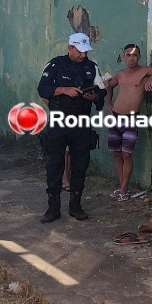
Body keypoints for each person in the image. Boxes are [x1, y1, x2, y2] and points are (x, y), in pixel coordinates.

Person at [37, 32, 104, 223]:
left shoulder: (92, 67)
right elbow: (43, 88)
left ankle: (76, 206)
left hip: (82, 122)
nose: (83, 55)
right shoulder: (56, 65)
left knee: (80, 164)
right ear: (70, 48)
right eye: (80, 51)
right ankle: (53, 208)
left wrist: (95, 97)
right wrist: (63, 90)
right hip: (59, 121)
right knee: (54, 164)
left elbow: (101, 90)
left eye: (86, 51)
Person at [104, 44, 152, 199]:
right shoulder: (120, 74)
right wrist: (109, 105)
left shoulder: (144, 71)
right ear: (124, 56)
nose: (131, 58)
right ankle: (122, 189)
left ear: (139, 57)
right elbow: (109, 87)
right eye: (128, 55)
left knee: (127, 154)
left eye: (134, 55)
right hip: (116, 117)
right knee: (117, 154)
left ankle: (124, 189)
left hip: (132, 118)